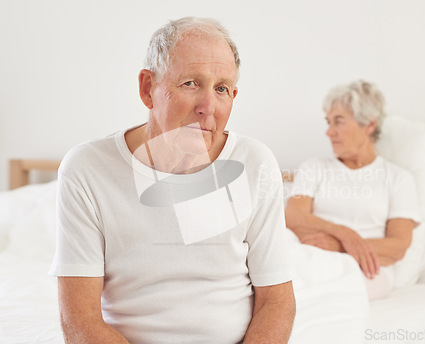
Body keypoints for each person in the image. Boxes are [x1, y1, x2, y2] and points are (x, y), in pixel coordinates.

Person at [50, 17, 295, 343]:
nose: (208, 107)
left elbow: (276, 301)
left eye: (222, 89)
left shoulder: (255, 162)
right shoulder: (87, 168)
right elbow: (79, 321)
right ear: (147, 88)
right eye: (191, 83)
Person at [285, 80, 421, 300]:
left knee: (322, 293)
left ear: (369, 124)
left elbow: (398, 246)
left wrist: (339, 246)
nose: (329, 132)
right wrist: (344, 233)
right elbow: (293, 216)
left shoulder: (398, 179)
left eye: (338, 121)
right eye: (328, 122)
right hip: (310, 256)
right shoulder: (314, 168)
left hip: (367, 268)